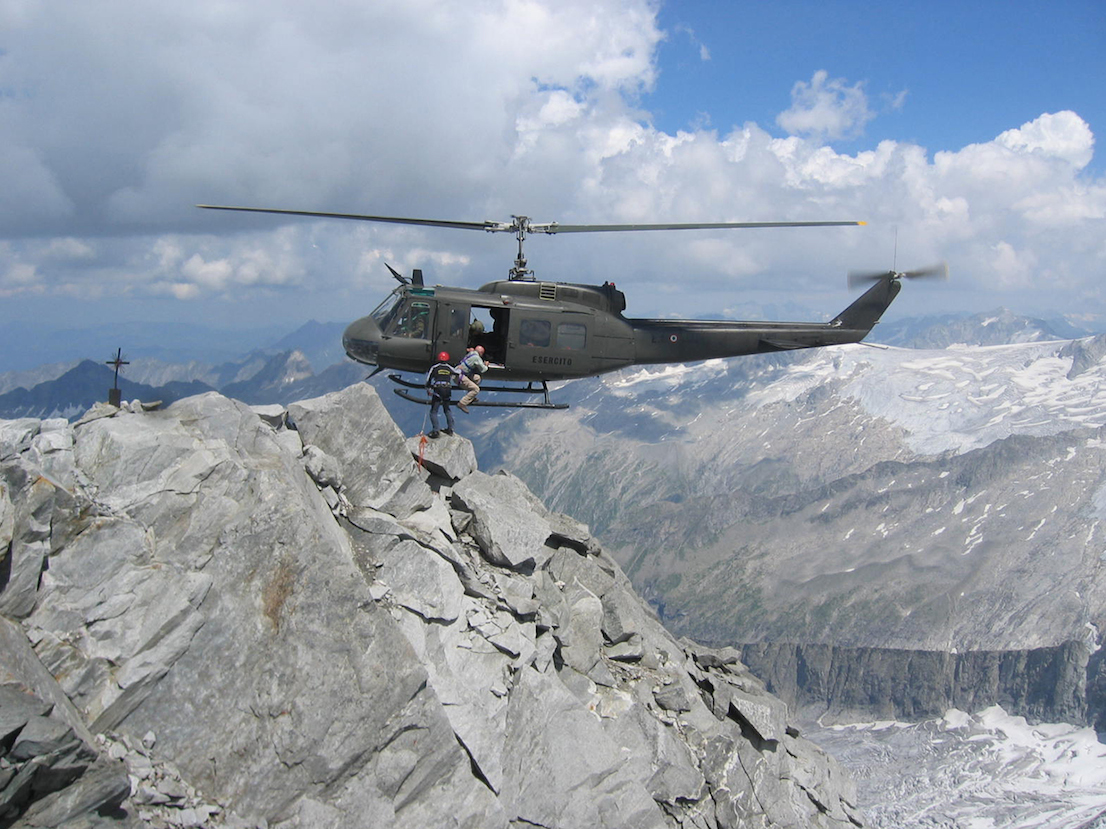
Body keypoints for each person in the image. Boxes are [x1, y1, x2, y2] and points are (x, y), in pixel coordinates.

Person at [425, 351, 461, 438]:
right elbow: (458, 372)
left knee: (433, 411)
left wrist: (428, 389)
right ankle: (450, 429)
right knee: (447, 409)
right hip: (447, 389)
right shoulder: (449, 367)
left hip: (438, 389)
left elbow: (428, 380)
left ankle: (436, 431)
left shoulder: (434, 367)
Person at [457, 345, 488, 412]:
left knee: (477, 378)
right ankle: (462, 403)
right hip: (461, 377)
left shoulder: (471, 353)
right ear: (481, 353)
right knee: (476, 389)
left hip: (459, 373)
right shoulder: (477, 358)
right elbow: (483, 369)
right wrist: (486, 365)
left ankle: (471, 397)